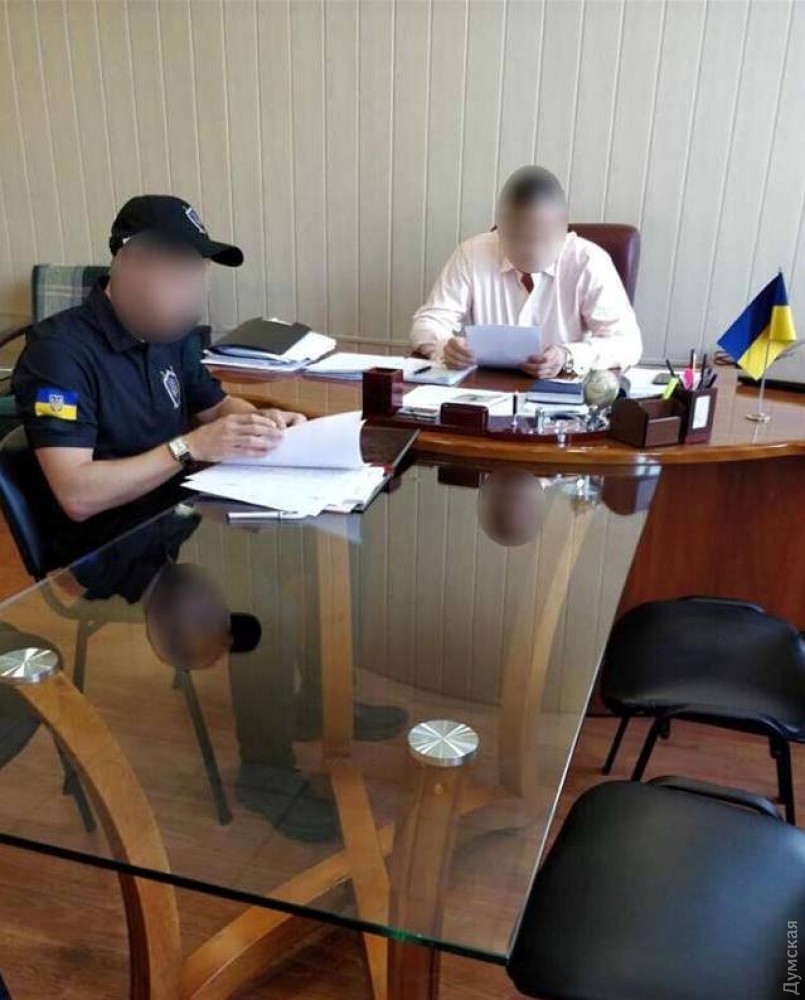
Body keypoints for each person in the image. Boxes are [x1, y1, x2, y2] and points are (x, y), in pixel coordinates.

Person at [13, 195, 305, 523]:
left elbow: (217, 408)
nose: (190, 293)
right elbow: (76, 495)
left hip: (177, 522)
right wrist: (188, 447)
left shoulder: (166, 331)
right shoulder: (57, 353)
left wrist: (261, 425)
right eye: (178, 273)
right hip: (108, 544)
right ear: (131, 267)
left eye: (197, 272)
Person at [410, 165, 642, 377]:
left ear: (564, 228)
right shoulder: (471, 253)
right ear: (499, 226)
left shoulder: (589, 261)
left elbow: (628, 343)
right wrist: (446, 347)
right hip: (486, 389)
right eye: (515, 237)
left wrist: (567, 356)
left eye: (544, 238)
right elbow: (428, 322)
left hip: (563, 391)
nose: (531, 250)